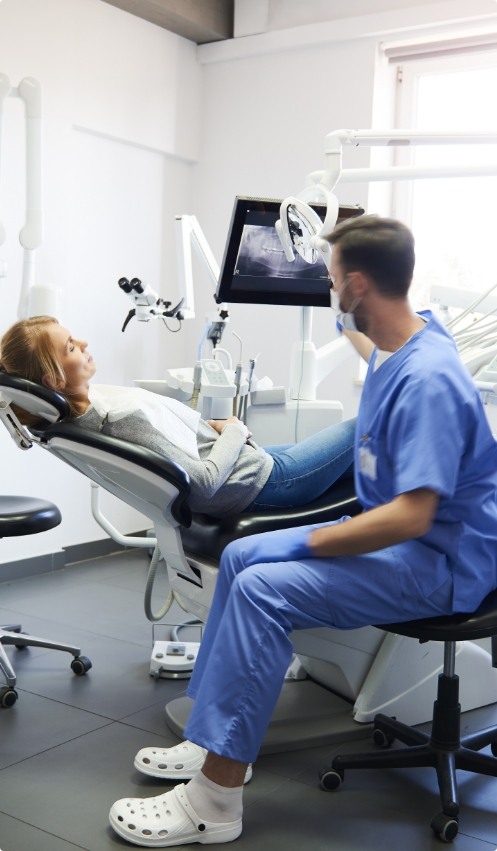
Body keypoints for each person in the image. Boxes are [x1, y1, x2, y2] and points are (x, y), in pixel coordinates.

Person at [105, 214, 497, 848]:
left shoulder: (429, 380)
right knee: (239, 557)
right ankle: (212, 737)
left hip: (437, 560)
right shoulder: (406, 339)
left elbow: (413, 515)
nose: (329, 286)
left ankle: (215, 802)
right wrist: (344, 307)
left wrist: (314, 540)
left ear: (361, 284)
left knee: (266, 587)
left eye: (335, 279)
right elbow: (370, 344)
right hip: (398, 538)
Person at [0, 315, 357, 518]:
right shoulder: (116, 419)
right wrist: (232, 427)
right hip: (262, 483)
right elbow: (202, 482)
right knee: (366, 428)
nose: (86, 343)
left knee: (363, 466)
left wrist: (213, 430)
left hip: (251, 468)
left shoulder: (79, 418)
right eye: (72, 347)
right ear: (54, 380)